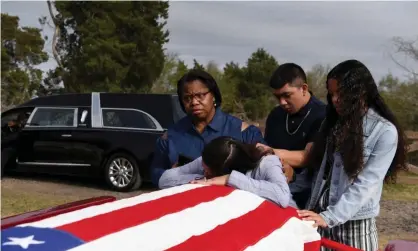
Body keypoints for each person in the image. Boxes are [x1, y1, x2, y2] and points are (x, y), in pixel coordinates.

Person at [297, 59, 408, 251]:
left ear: (361, 92)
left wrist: (329, 217)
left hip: (354, 228)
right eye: (332, 94)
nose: (335, 100)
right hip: (320, 222)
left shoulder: (384, 131)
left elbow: (367, 184)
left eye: (342, 93)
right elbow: (320, 174)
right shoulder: (331, 123)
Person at [150, 70, 279, 187]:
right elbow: (156, 174)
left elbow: (267, 171)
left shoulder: (244, 132)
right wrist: (179, 175)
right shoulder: (171, 136)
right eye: (187, 98)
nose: (194, 102)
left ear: (214, 96)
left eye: (200, 95)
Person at [257, 63, 326, 209]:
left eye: (287, 95)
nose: (282, 102)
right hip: (274, 192)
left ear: (304, 89)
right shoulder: (275, 116)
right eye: (277, 97)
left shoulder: (323, 115)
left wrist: (268, 153)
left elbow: (307, 157)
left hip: (311, 198)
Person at [159, 136, 296, 208]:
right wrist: (203, 179)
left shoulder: (267, 162)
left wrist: (230, 179)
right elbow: (165, 179)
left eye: (208, 171)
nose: (204, 171)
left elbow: (282, 197)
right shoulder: (208, 161)